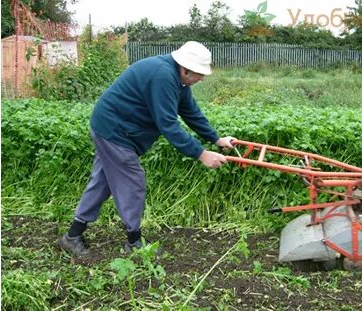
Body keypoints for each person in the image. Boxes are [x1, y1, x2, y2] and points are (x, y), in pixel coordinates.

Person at [58, 41, 236, 257]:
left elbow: (190, 112)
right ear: (185, 68)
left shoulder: (178, 81)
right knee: (133, 182)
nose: (202, 78)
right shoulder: (163, 76)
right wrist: (201, 154)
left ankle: (72, 236)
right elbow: (168, 125)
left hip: (116, 129)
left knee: (103, 182)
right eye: (199, 73)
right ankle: (134, 242)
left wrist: (215, 139)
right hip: (114, 131)